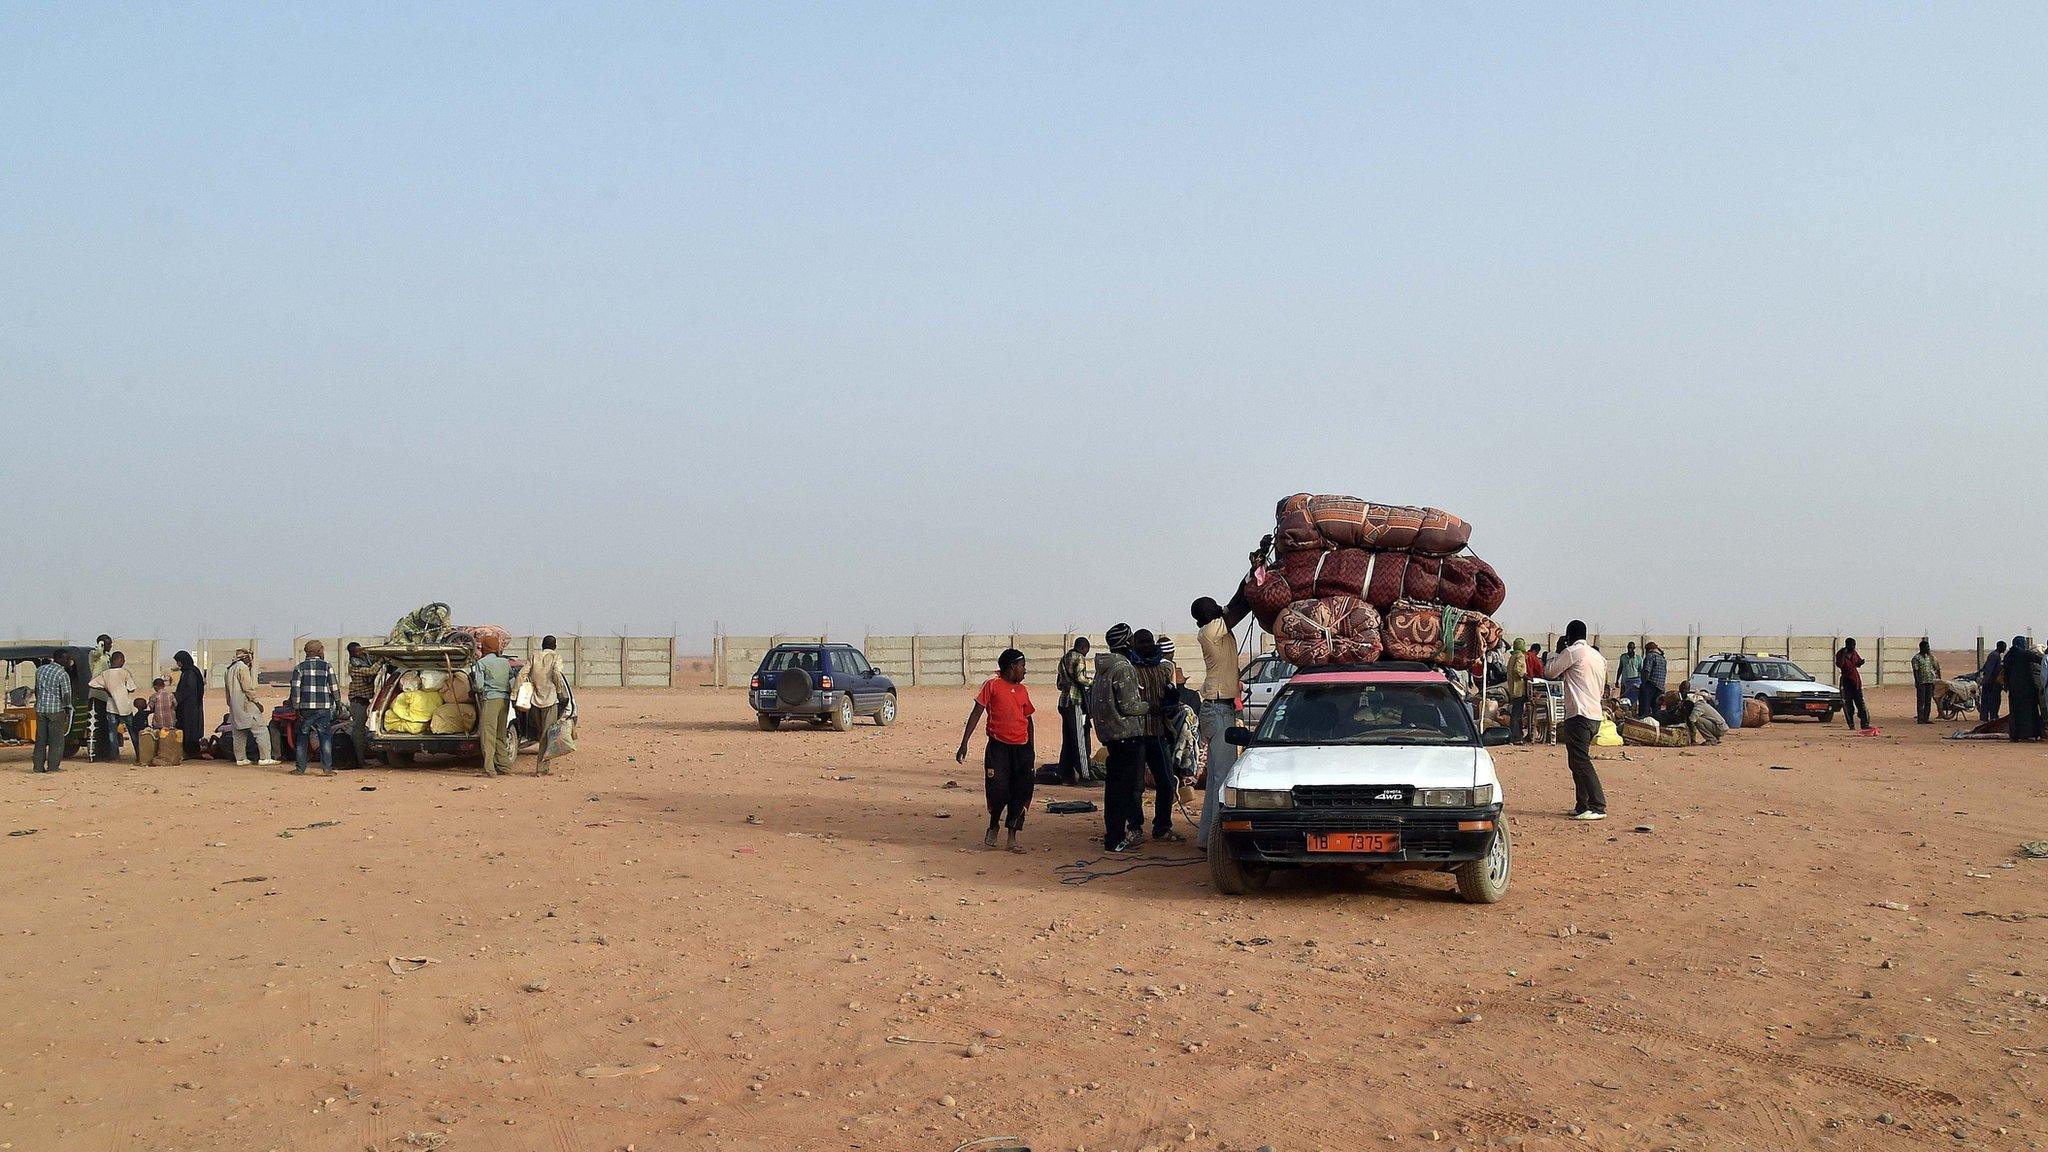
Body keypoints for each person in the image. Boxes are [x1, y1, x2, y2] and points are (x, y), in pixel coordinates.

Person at [957, 647, 1035, 853]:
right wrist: (964, 743)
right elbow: (976, 713)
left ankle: (1012, 837)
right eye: (1023, 665)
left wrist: (1031, 749)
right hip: (998, 748)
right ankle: (994, 824)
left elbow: (1028, 720)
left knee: (1021, 791)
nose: (1025, 670)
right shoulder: (992, 685)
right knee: (999, 790)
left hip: (1022, 749)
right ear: (1012, 666)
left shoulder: (1023, 690)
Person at [1191, 591, 1251, 848]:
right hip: (1217, 709)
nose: (1218, 607)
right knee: (1224, 777)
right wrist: (1252, 591)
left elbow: (1236, 602)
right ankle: (1219, 841)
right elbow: (1239, 609)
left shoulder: (1216, 626)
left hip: (1219, 708)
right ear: (1206, 616)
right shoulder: (1209, 631)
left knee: (1217, 776)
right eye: (1213, 607)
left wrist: (1249, 578)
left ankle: (1207, 838)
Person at [1084, 623, 1150, 853]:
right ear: (1126, 642)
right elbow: (1130, 705)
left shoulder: (1103, 668)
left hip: (1111, 736)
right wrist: (1151, 706)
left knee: (1114, 789)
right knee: (1126, 789)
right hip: (1127, 736)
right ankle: (1117, 838)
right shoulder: (1123, 668)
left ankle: (1113, 835)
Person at [1542, 621, 1608, 820]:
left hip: (1579, 714)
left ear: (1569, 635)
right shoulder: (1599, 657)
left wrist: (1556, 652)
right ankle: (1583, 804)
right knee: (1576, 761)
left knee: (1581, 761)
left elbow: (1550, 672)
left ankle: (1598, 805)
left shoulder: (1572, 652)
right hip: (1594, 714)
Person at [1128, 629, 1183, 844]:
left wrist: (1171, 703)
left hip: (1158, 733)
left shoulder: (1163, 669)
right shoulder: (1130, 670)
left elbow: (1169, 702)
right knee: (1136, 786)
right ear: (1134, 644)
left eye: (1149, 641)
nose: (1147, 645)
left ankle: (1162, 827)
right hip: (1137, 735)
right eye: (1141, 642)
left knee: (1167, 782)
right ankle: (1135, 828)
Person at [518, 635, 572, 773]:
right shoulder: (556, 657)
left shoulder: (534, 656)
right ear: (554, 646)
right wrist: (559, 690)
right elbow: (556, 673)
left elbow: (522, 673)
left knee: (541, 732)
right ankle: (541, 768)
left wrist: (515, 693)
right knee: (547, 735)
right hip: (550, 700)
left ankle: (543, 768)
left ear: (542, 645)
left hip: (534, 701)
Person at [286, 640, 339, 776]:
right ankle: (327, 769)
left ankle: (300, 769)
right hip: (323, 708)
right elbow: (334, 687)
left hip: (305, 709)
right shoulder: (327, 666)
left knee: (302, 738)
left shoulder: (299, 668)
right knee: (324, 738)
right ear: (318, 651)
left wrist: (296, 708)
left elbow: (295, 689)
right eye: (322, 649)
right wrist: (337, 703)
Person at [469, 634, 517, 777]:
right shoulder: (505, 663)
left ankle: (489, 769)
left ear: (484, 647)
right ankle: (504, 767)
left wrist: (475, 689)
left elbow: (479, 685)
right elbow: (512, 679)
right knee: (501, 734)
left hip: (490, 700)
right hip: (505, 701)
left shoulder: (482, 663)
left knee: (488, 735)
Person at [224, 647, 278, 765]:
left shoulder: (229, 669)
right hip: (247, 705)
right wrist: (256, 702)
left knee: (239, 733)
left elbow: (227, 693)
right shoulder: (242, 668)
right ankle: (265, 758)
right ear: (245, 658)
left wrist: (232, 706)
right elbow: (248, 688)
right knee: (261, 731)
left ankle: (241, 759)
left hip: (235, 706)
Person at [1054, 637, 1094, 784]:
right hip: (1075, 702)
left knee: (1068, 740)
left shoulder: (1064, 659)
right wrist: (1093, 682)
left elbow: (1059, 684)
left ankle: (1065, 774)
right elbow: (1081, 678)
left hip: (1064, 702)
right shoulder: (1079, 658)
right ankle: (1085, 775)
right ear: (1083, 647)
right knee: (1080, 739)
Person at [89, 651, 140, 760]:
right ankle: (139, 754)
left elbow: (92, 683)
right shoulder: (125, 673)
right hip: (125, 707)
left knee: (112, 733)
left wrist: (106, 690)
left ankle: (115, 756)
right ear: (121, 661)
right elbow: (132, 688)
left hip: (111, 707)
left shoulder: (105, 673)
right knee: (132, 731)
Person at [31, 650, 74, 773]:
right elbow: (66, 694)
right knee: (56, 741)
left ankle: (38, 767)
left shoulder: (40, 670)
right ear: (59, 659)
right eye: (66, 659)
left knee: (40, 740)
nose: (68, 661)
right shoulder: (62, 674)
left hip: (41, 709)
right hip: (55, 710)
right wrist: (68, 706)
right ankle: (53, 767)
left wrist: (38, 702)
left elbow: (37, 689)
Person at [2004, 636, 2043, 742]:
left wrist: (2007, 685)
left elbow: (2005, 673)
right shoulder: (2024, 654)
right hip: (2026, 687)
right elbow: (2040, 660)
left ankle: (2015, 735)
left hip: (2013, 688)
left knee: (2015, 711)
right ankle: (2027, 734)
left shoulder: (2008, 655)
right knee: (2028, 710)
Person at [345, 642, 378, 766]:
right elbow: (371, 671)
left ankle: (361, 758)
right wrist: (383, 659)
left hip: (365, 702)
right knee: (359, 732)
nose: (361, 652)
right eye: (358, 651)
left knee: (363, 731)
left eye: (361, 650)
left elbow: (374, 658)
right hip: (358, 702)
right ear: (352, 653)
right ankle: (359, 760)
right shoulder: (354, 666)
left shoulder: (365, 659)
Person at [171, 650, 207, 757]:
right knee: (189, 726)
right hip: (190, 705)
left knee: (189, 727)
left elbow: (189, 689)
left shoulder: (190, 673)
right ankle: (190, 750)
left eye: (178, 661)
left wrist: (176, 697)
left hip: (189, 706)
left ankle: (191, 751)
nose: (177, 664)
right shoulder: (189, 671)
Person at [89, 634, 115, 759]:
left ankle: (106, 752)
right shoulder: (94, 655)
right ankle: (96, 753)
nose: (111, 646)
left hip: (106, 694)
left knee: (105, 725)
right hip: (97, 694)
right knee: (97, 725)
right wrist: (100, 644)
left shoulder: (107, 657)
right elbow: (97, 652)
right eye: (108, 643)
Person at [1836, 639, 1870, 731]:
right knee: (1848, 705)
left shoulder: (1854, 653)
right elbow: (1839, 664)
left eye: (1854, 645)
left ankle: (1865, 724)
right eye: (1852, 645)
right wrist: (1844, 653)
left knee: (1861, 704)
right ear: (1847, 645)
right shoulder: (1840, 653)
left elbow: (1857, 663)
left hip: (1856, 682)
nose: (1853, 647)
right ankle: (1851, 725)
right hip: (1846, 682)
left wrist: (1861, 662)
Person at [1504, 638, 1531, 744]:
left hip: (1513, 689)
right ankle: (1516, 737)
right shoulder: (1520, 656)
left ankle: (1515, 736)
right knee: (1517, 715)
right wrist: (1525, 676)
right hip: (1519, 689)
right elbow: (1517, 670)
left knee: (1515, 713)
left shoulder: (1512, 657)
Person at [1911, 640, 1942, 724]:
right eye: (1927, 647)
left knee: (1928, 701)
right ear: (1922, 648)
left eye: (1929, 647)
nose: (1928, 648)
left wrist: (1938, 680)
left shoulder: (1930, 657)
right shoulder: (1916, 658)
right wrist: (1917, 682)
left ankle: (1926, 718)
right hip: (1921, 682)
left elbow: (1936, 668)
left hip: (1930, 681)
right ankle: (1920, 719)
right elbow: (1915, 671)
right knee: (1921, 701)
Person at [1637, 641, 1667, 722]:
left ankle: (1643, 725)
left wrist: (1643, 685)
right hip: (1660, 687)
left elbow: (1646, 671)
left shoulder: (1650, 656)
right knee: (1656, 711)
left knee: (1644, 710)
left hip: (1650, 686)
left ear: (1648, 650)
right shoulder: (1662, 659)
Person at [1980, 640, 2007, 722]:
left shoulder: (1995, 655)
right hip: (1991, 683)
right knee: (1992, 701)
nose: (2004, 649)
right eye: (2004, 647)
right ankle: (1992, 717)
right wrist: (1988, 681)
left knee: (1988, 701)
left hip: (1990, 682)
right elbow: (1989, 670)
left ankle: (1987, 717)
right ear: (1999, 646)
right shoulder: (1995, 656)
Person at [1616, 642, 1641, 712]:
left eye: (1631, 648)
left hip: (1634, 684)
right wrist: (1617, 680)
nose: (1630, 649)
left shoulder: (1638, 658)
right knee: (1623, 699)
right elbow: (1620, 668)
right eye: (1628, 648)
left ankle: (1632, 713)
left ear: (1634, 648)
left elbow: (1641, 671)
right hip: (1624, 682)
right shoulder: (1623, 657)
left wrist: (1640, 683)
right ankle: (1623, 713)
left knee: (1633, 700)